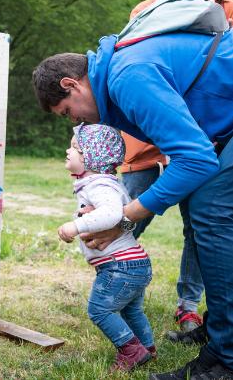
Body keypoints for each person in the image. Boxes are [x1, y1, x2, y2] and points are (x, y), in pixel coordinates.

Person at [32, 27, 233, 379]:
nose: (76, 121)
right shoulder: (119, 77)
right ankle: (220, 332)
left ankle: (228, 362)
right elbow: (189, 155)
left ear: (70, 85)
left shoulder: (127, 76)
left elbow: (196, 160)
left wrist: (123, 218)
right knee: (203, 201)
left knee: (213, 207)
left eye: (67, 113)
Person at [124, 0, 233, 335]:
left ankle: (188, 304)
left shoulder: (229, 10)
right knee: (127, 215)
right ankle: (118, 287)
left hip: (203, 133)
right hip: (145, 132)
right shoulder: (145, 9)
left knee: (199, 221)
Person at [56, 123, 154, 372]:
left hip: (119, 266)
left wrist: (75, 227)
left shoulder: (98, 186)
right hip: (133, 264)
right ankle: (147, 347)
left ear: (92, 158)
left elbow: (112, 214)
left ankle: (131, 351)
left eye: (76, 148)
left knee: (99, 310)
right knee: (132, 311)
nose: (69, 151)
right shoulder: (105, 183)